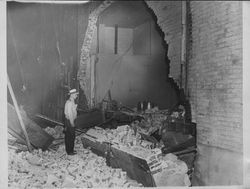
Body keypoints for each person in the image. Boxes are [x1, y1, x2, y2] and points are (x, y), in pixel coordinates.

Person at [64, 88, 78, 155]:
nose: (76, 96)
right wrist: (72, 123)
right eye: (75, 94)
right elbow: (70, 114)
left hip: (69, 121)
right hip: (70, 121)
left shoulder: (71, 102)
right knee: (71, 136)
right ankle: (70, 151)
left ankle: (70, 150)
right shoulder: (69, 103)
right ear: (72, 95)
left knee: (70, 136)